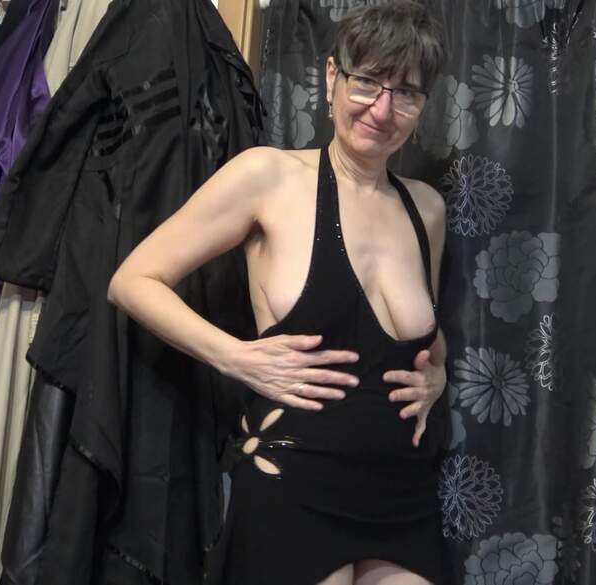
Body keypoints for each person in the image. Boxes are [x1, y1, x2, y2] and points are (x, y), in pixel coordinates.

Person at [107, 3, 452, 584]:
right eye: (367, 82)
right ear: (332, 76)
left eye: (406, 93)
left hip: (402, 495)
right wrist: (236, 358)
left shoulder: (428, 210)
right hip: (293, 481)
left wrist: (437, 377)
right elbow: (133, 281)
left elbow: (428, 341)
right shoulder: (267, 177)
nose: (382, 109)